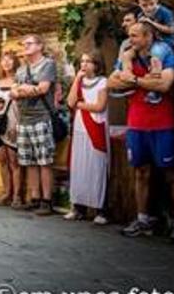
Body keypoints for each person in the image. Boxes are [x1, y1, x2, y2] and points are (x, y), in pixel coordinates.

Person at [108, 22, 174, 242]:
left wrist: (133, 80)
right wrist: (144, 81)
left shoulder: (165, 54)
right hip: (137, 123)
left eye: (134, 35)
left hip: (163, 123)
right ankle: (143, 219)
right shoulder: (127, 56)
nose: (130, 39)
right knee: (140, 172)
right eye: (129, 35)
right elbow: (112, 83)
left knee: (172, 174)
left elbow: (164, 85)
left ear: (148, 36)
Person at [11, 35, 58, 216]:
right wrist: (26, 90)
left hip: (41, 117)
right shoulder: (22, 69)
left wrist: (24, 90)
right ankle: (35, 197)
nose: (25, 46)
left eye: (29, 43)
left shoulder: (48, 64)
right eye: (24, 44)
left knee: (44, 161)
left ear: (40, 46)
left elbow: (43, 88)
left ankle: (47, 201)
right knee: (29, 161)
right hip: (24, 119)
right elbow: (14, 92)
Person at [65, 51, 110, 225]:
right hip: (79, 129)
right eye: (82, 61)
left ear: (96, 64)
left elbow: (99, 106)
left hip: (95, 128)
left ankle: (100, 210)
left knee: (96, 167)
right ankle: (78, 207)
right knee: (79, 167)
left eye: (88, 61)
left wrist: (81, 105)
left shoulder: (103, 82)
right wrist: (77, 80)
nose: (84, 65)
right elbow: (70, 102)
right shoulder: (80, 81)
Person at [134, 0, 174, 105]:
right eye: (144, 5)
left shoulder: (165, 12)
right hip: (149, 44)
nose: (149, 8)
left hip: (165, 43)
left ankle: (154, 91)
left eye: (151, 4)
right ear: (138, 4)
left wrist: (151, 22)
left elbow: (171, 30)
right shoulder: (140, 15)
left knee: (155, 56)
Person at [0, 51, 22, 208]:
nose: (7, 62)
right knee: (2, 159)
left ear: (15, 62)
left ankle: (17, 196)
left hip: (13, 122)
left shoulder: (20, 81)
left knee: (13, 160)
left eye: (10, 59)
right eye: (4, 60)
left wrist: (18, 125)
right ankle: (6, 192)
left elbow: (22, 106)